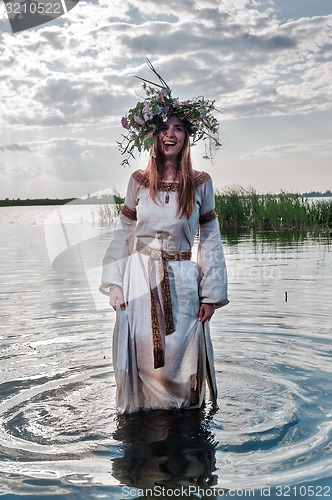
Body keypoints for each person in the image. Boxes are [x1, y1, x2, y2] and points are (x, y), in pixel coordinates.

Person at [100, 60, 229, 414]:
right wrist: (114, 283)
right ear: (153, 136)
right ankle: (145, 430)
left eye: (177, 128)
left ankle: (183, 431)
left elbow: (211, 238)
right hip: (140, 279)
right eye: (163, 128)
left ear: (187, 136)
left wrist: (212, 294)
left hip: (184, 281)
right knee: (143, 355)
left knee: (180, 360)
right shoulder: (139, 182)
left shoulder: (200, 183)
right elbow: (124, 232)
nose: (170, 134)